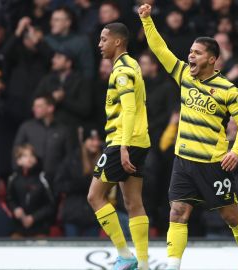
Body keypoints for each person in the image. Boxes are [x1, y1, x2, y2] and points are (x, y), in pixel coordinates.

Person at [139, 4, 238, 270]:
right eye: (190, 52)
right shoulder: (183, 74)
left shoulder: (228, 90)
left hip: (214, 163)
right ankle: (173, 265)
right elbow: (160, 49)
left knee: (232, 217)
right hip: (183, 162)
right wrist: (147, 20)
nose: (190, 56)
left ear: (212, 59)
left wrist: (235, 151)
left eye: (196, 53)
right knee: (177, 213)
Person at [86, 23, 151, 270]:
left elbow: (130, 109)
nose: (99, 44)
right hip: (139, 140)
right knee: (134, 203)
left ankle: (124, 255)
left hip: (123, 141)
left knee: (95, 196)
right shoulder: (133, 64)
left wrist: (122, 147)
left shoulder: (121, 71)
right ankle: (144, 265)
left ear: (117, 42)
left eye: (103, 39)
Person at [7, 144, 55, 237]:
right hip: (19, 228)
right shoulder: (13, 179)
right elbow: (10, 199)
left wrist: (34, 218)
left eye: (31, 155)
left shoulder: (43, 178)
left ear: (35, 159)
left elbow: (50, 205)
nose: (29, 158)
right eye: (24, 156)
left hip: (40, 228)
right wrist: (15, 209)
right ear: (18, 161)